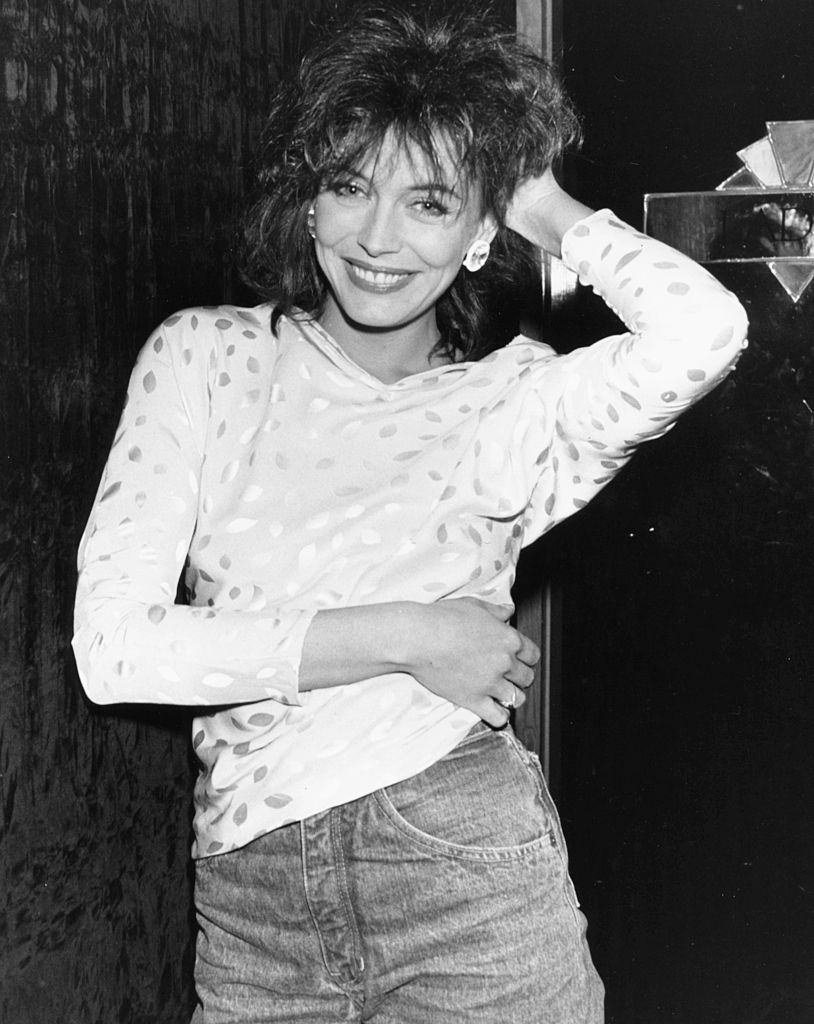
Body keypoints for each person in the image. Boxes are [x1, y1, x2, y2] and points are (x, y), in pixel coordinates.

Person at [72, 5, 748, 1022]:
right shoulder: (206, 354)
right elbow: (114, 651)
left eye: (430, 202)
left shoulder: (517, 398)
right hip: (255, 906)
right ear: (308, 204)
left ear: (480, 232)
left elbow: (707, 331)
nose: (378, 238)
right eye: (349, 187)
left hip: (461, 866)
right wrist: (411, 636)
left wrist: (536, 199)